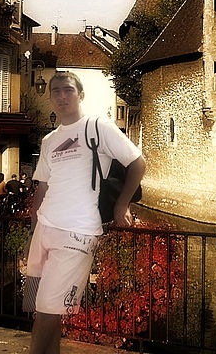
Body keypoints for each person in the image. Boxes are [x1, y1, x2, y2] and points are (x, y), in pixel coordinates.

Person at [26, 71, 145, 354]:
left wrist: (122, 204)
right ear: (50, 97)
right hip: (44, 228)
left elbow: (138, 163)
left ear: (80, 95)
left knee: (46, 311)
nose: (62, 96)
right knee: (43, 309)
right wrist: (33, 221)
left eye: (68, 90)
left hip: (77, 232)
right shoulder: (49, 140)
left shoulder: (97, 127)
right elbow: (43, 185)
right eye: (56, 91)